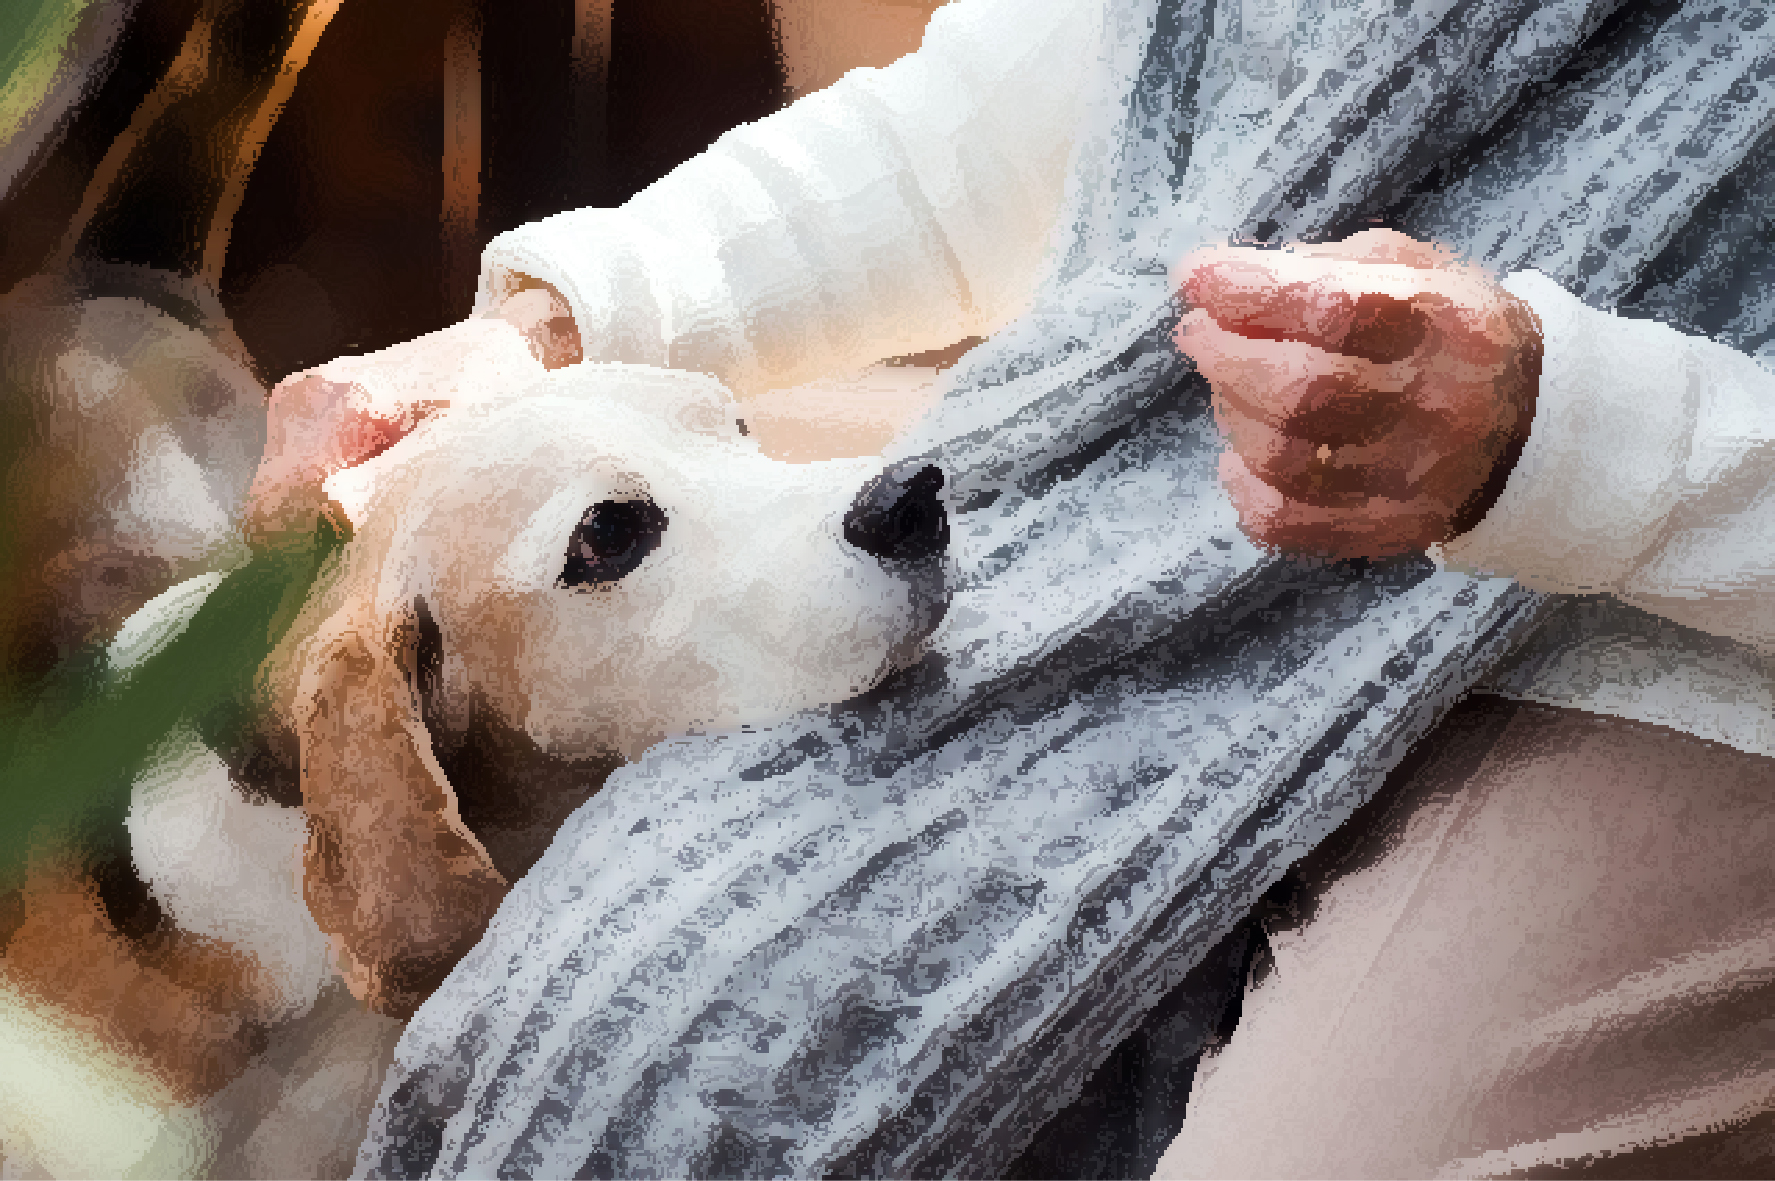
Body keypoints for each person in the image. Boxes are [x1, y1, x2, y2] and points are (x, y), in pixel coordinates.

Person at [248, 0, 1775, 1174]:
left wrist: (1572, 435)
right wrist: (559, 326)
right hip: (1151, 530)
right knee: (626, 1020)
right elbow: (1062, 93)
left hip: (1679, 647)